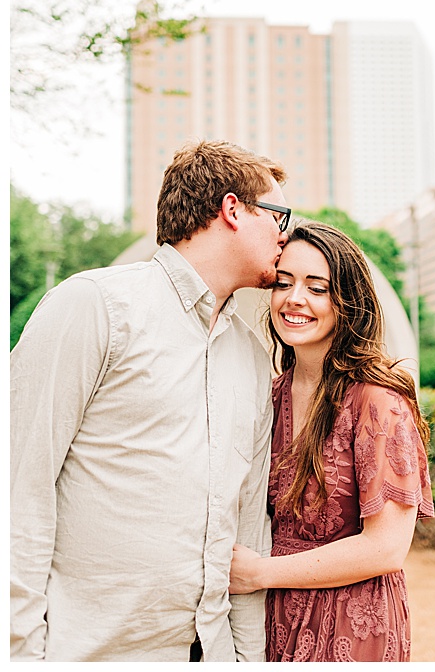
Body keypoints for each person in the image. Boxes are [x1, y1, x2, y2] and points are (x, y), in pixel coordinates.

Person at [10, 140, 288, 661]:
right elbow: (18, 487)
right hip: (88, 653)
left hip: (210, 652)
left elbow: (249, 524)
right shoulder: (92, 306)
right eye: (277, 214)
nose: (285, 233)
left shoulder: (251, 356)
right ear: (232, 209)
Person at [227, 220, 433, 662]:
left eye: (317, 288)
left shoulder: (378, 401)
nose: (294, 299)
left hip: (351, 623)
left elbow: (387, 547)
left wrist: (260, 572)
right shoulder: (271, 393)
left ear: (348, 303)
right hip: (275, 618)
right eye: (284, 283)